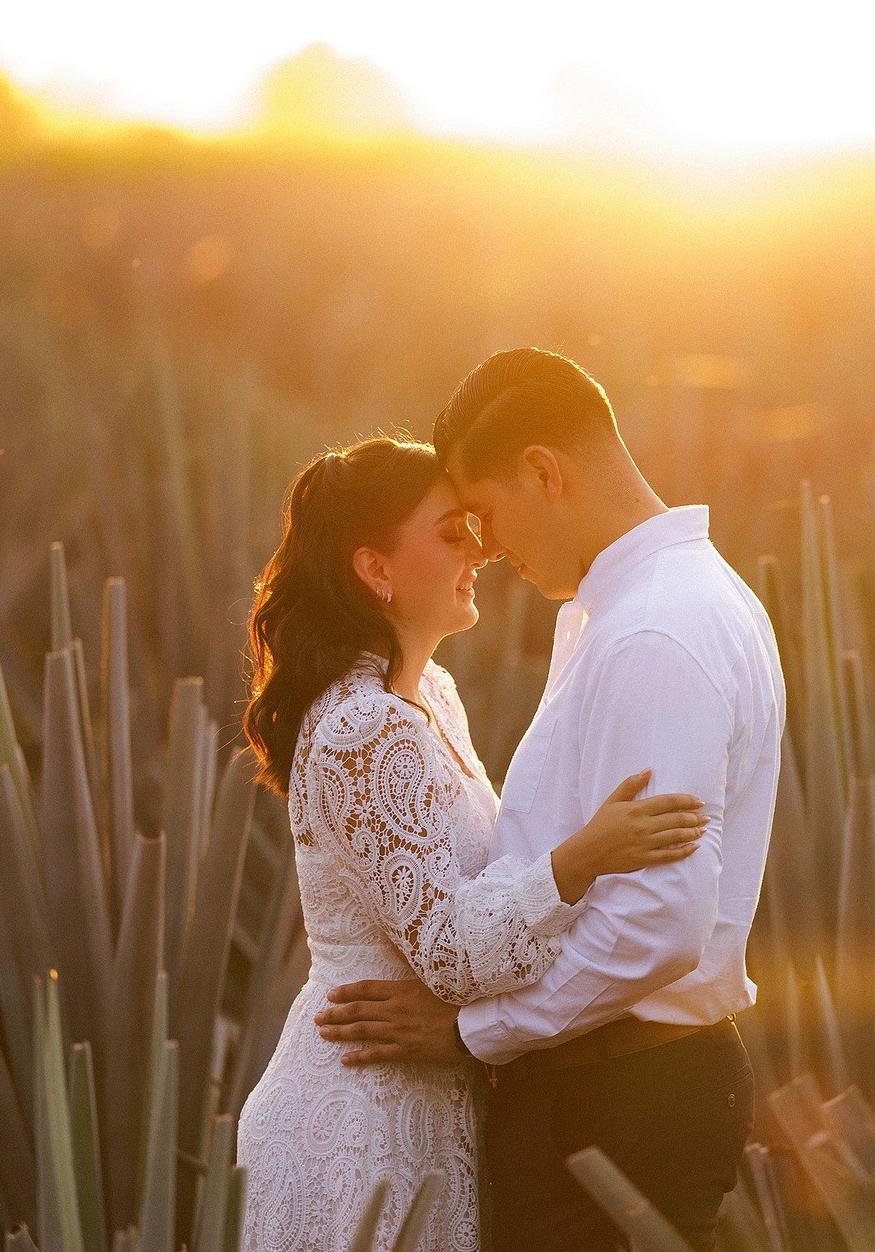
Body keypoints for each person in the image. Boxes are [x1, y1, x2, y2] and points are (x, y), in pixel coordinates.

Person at [312, 349, 787, 1250]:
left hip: (617, 1101)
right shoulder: (661, 603)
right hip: (612, 1091)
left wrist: (477, 1032)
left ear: (544, 471)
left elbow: (659, 920)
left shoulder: (652, 629)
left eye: (485, 516)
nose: (486, 549)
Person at [235, 435, 711, 1251]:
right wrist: (581, 858)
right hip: (359, 1125)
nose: (480, 552)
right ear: (374, 569)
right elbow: (449, 954)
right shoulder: (362, 727)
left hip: (428, 1109)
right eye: (451, 534)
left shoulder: (433, 700)